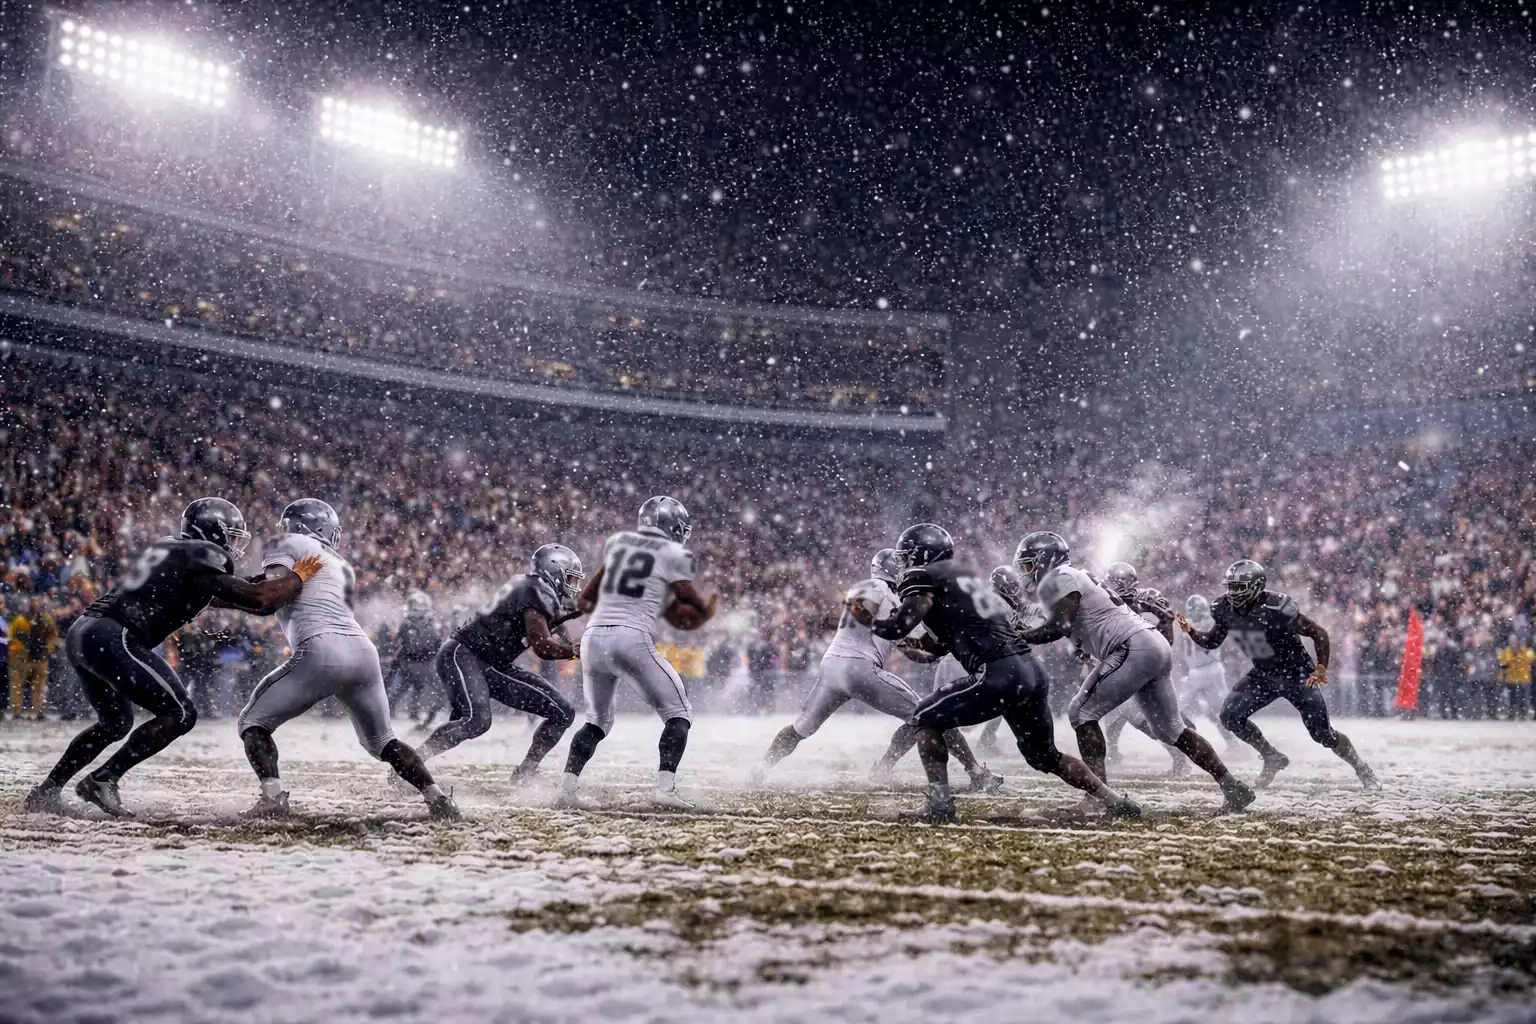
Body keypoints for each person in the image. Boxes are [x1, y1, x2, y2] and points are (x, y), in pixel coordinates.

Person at [23, 498, 319, 816]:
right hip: (114, 635)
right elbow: (257, 598)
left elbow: (247, 596)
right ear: (214, 531)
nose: (234, 545)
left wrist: (278, 585)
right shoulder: (203, 555)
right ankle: (104, 779)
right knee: (180, 714)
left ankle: (47, 791)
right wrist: (298, 577)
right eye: (231, 536)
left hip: (87, 632)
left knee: (115, 723)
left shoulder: (177, 552)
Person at [862, 524, 1140, 823]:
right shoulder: (964, 581)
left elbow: (903, 622)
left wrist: (873, 623)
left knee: (924, 718)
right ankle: (1113, 800)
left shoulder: (923, 576)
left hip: (998, 671)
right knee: (1044, 756)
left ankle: (940, 805)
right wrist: (910, 644)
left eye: (906, 556)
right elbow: (936, 646)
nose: (903, 564)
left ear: (922, 555)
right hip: (1030, 671)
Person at [236, 499, 459, 820]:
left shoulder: (286, 542)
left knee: (253, 721)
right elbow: (267, 586)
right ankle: (437, 798)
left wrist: (212, 595)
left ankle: (272, 798)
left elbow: (269, 597)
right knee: (384, 741)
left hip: (322, 649)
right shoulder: (338, 562)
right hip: (362, 653)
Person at [1018, 535, 1253, 812]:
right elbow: (1072, 624)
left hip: (1132, 646)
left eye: (1028, 564)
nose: (1026, 571)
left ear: (1044, 559)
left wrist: (1022, 636)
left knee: (1081, 712)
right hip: (1151, 644)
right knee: (1171, 729)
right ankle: (1232, 785)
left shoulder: (1059, 577)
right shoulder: (1076, 576)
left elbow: (1059, 626)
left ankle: (1099, 798)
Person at [754, 547, 1001, 791]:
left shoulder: (893, 601)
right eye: (901, 565)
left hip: (833, 667)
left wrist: (939, 652)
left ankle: (761, 769)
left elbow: (911, 651)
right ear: (890, 568)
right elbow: (862, 610)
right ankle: (974, 772)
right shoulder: (876, 587)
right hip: (859, 667)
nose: (906, 570)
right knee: (929, 715)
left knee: (801, 727)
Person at [559, 496, 716, 809]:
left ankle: (566, 790)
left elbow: (586, 597)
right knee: (679, 712)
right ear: (672, 526)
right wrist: (705, 608)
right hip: (630, 636)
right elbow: (686, 593)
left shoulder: (619, 546)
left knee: (597, 722)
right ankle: (664, 790)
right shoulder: (671, 551)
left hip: (593, 638)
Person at [1178, 559, 1378, 790]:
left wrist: (1321, 667)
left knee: (1323, 734)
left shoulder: (1276, 607)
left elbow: (1318, 632)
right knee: (1230, 716)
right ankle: (1271, 756)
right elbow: (1212, 641)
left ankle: (1361, 767)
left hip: (1297, 675)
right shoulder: (1224, 608)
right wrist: (1191, 631)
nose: (1233, 593)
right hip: (1264, 674)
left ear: (1256, 586)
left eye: (1239, 587)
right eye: (1230, 587)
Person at [415, 544, 583, 783]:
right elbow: (542, 646)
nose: (573, 585)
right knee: (476, 721)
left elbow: (556, 627)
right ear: (553, 572)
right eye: (570, 578)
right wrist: (576, 652)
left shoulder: (532, 588)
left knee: (563, 712)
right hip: (465, 654)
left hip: (492, 663)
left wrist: (574, 643)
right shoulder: (536, 590)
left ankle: (526, 773)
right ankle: (410, 765)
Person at [387, 591, 444, 724]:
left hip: (422, 662)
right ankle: (393, 708)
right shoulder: (407, 624)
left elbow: (436, 641)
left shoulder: (429, 623)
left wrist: (431, 652)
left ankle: (412, 711)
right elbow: (408, 644)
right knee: (406, 686)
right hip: (411, 662)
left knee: (415, 686)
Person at [8, 595, 57, 719]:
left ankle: (38, 711)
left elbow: (53, 634)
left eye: (38, 602)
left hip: (40, 657)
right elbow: (12, 637)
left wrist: (48, 648)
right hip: (24, 658)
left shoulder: (46, 619)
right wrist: (20, 650)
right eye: (34, 602)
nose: (36, 604)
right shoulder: (20, 620)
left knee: (39, 686)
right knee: (18, 685)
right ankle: (17, 711)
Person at [1498, 634, 1534, 720]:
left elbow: (1531, 659)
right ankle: (1512, 714)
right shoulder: (1506, 651)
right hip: (1511, 679)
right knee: (1512, 698)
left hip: (1524, 678)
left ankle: (1523, 714)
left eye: (1514, 640)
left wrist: (1517, 657)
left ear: (1518, 641)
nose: (1512, 643)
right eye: (1511, 641)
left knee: (1524, 698)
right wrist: (1503, 673)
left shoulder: (1526, 650)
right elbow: (1502, 664)